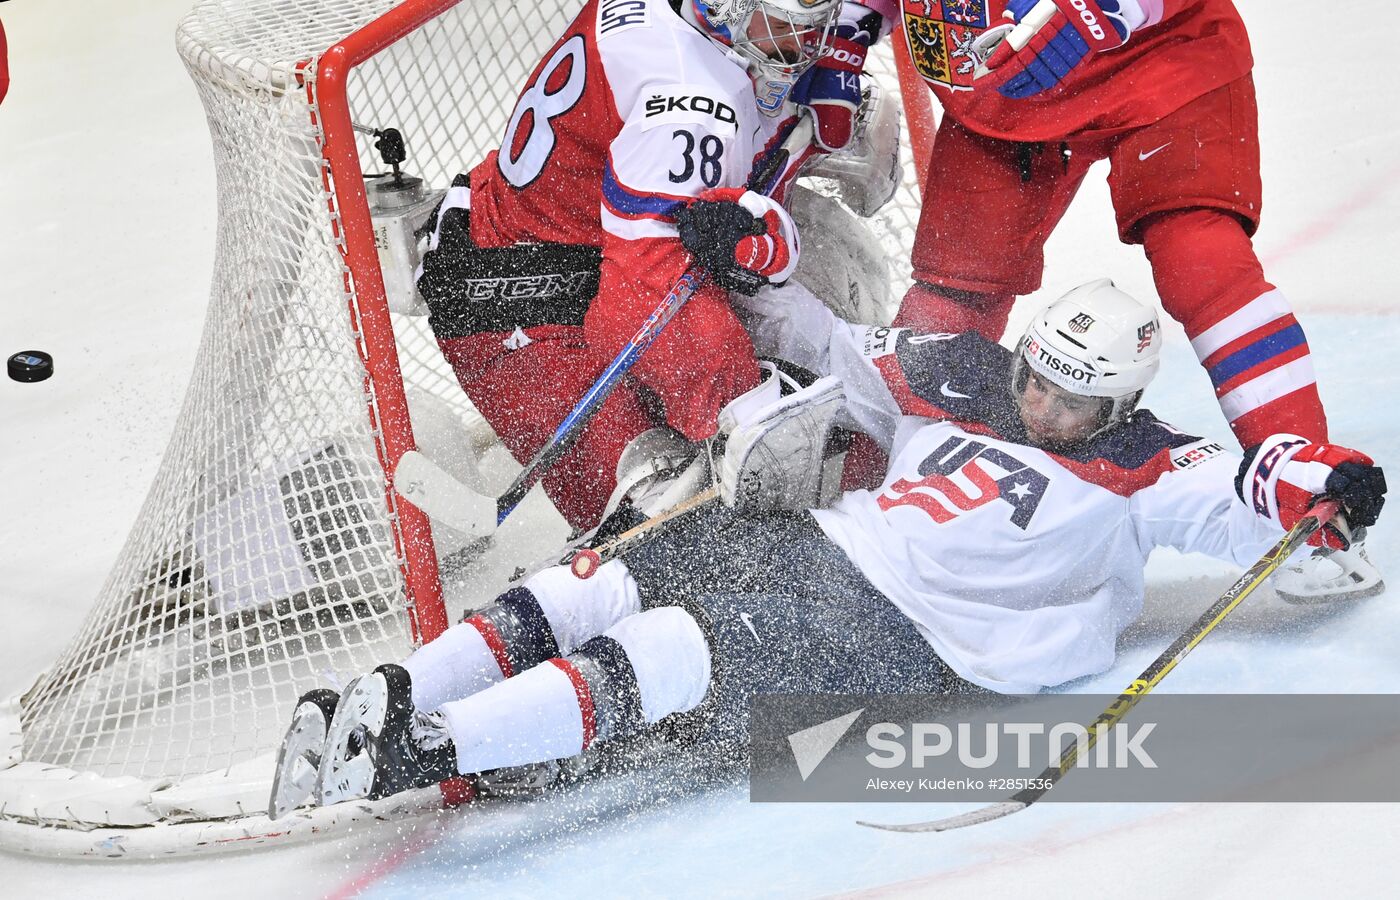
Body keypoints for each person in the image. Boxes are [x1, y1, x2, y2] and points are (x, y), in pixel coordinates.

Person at [269, 279, 1386, 812]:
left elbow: (1252, 483)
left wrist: (1323, 476)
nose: (1038, 405)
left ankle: (426, 748)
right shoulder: (963, 370)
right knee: (605, 577)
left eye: (1066, 400)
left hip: (920, 641)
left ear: (1120, 399)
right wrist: (749, 268)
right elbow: (826, 338)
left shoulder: (1144, 464)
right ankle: (388, 690)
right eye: (1034, 378)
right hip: (823, 549)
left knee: (670, 643)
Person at [883, 0, 1381, 600]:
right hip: (1001, 95)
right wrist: (840, 41)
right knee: (955, 285)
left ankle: (1308, 499)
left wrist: (1097, 12)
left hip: (1159, 63)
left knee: (1203, 267)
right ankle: (875, 478)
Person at [415, 0, 891, 535]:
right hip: (517, 310)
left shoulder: (709, 32)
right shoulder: (691, 101)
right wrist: (745, 412)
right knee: (674, 536)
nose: (810, 43)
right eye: (790, 26)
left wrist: (850, 45)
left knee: (834, 288)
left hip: (596, 247)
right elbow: (641, 297)